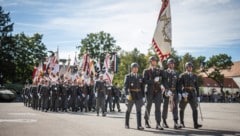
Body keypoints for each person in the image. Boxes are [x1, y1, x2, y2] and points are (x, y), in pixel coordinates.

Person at [178, 62, 202, 129]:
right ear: (186, 67)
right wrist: (180, 93)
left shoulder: (195, 76)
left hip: (192, 94)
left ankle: (195, 124)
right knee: (182, 108)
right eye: (188, 67)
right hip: (185, 93)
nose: (190, 68)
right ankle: (181, 123)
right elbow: (179, 85)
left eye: (191, 67)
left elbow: (197, 86)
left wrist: (198, 95)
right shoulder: (182, 75)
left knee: (195, 109)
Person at [143, 56, 164, 130]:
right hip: (149, 91)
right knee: (148, 107)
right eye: (153, 61)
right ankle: (146, 121)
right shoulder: (146, 71)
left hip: (157, 91)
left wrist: (162, 66)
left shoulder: (159, 70)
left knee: (158, 108)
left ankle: (158, 123)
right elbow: (144, 81)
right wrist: (153, 81)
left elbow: (164, 76)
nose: (154, 62)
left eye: (155, 61)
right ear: (150, 62)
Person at [162, 58, 182, 129]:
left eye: (173, 63)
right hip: (167, 92)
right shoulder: (164, 72)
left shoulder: (176, 72)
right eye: (170, 63)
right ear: (168, 64)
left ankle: (176, 122)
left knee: (175, 107)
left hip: (174, 92)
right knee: (165, 107)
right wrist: (167, 90)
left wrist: (179, 92)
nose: (172, 64)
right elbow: (164, 82)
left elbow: (179, 84)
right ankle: (164, 121)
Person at [124, 62, 144, 130]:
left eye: (137, 68)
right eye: (134, 67)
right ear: (132, 69)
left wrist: (143, 96)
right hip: (131, 95)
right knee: (128, 110)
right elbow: (125, 87)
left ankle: (139, 125)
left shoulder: (140, 76)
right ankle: (126, 124)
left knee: (139, 111)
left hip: (138, 95)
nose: (136, 69)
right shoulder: (128, 76)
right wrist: (126, 94)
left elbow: (142, 87)